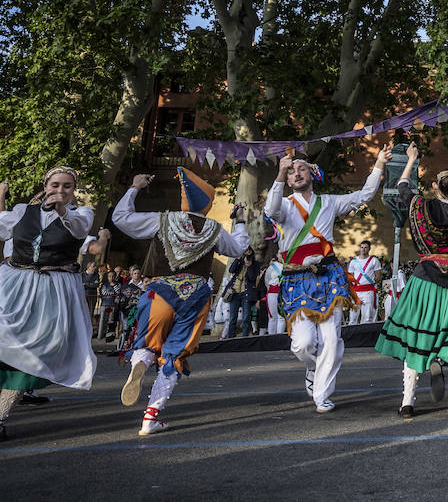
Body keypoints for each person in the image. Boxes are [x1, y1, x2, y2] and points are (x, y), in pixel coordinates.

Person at [112, 170, 250, 435]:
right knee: (174, 354)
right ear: (208, 204)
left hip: (160, 292)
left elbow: (122, 219)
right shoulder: (214, 229)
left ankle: (141, 362)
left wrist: (134, 187)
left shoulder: (162, 220)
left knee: (147, 342)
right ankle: (150, 419)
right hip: (195, 295)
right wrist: (240, 222)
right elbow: (237, 249)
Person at [266, 146, 390, 413]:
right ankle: (312, 367)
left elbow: (364, 195)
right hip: (296, 280)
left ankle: (321, 394)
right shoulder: (285, 205)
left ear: (312, 174)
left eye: (301, 169)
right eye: (291, 172)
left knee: (331, 341)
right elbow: (270, 209)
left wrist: (379, 162)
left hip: (329, 276)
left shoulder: (330, 202)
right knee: (303, 343)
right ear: (287, 180)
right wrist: (278, 174)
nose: (296, 174)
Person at [376, 144, 448, 418]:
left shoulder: (420, 207)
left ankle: (407, 402)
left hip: (425, 278)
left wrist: (411, 161)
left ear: (436, 186)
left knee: (415, 335)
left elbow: (402, 187)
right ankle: (438, 358)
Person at [0, 169, 98, 441]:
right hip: (13, 283)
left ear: (74, 189)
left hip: (52, 290)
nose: (61, 190)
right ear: (45, 185)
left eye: (67, 186)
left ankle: (0, 417)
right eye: (55, 185)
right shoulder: (22, 211)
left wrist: (62, 210)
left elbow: (78, 229)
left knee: (31, 354)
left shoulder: (82, 214)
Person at [347, 240, 383, 325]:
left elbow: (378, 276)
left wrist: (370, 284)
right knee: (353, 317)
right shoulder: (353, 262)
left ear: (369, 249)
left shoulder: (374, 260)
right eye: (362, 247)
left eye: (365, 247)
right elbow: (350, 277)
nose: (363, 249)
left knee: (367, 318)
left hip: (368, 291)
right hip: (356, 292)